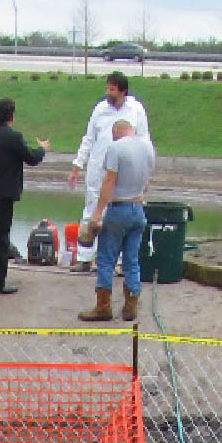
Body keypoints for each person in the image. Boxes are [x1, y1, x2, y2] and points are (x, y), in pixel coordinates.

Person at [76, 114, 154, 323]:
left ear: (116, 133)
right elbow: (146, 182)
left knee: (105, 258)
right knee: (131, 259)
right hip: (138, 209)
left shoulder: (115, 148)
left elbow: (109, 181)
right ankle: (130, 306)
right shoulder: (148, 148)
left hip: (118, 208)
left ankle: (103, 306)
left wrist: (97, 214)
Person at [66, 70, 151, 256]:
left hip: (125, 170)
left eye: (112, 89)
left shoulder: (136, 110)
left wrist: (145, 176)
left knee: (119, 215)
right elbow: (88, 139)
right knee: (91, 210)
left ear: (123, 91)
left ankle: (118, 260)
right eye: (107, 88)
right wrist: (77, 166)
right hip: (98, 167)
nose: (108, 93)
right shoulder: (100, 109)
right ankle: (84, 257)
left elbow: (145, 142)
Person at [0, 97, 45, 295]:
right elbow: (31, 158)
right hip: (2, 195)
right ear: (11, 116)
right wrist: (43, 149)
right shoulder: (13, 137)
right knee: (0, 238)